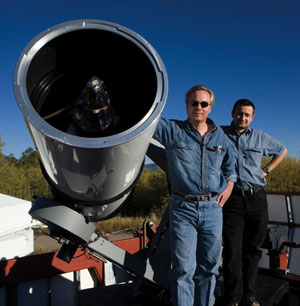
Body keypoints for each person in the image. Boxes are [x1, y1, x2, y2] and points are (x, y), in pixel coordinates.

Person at [152, 85, 237, 306]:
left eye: (204, 104)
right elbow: (145, 119)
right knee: (182, 270)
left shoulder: (220, 136)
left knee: (209, 267)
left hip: (212, 209)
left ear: (210, 108)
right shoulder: (172, 130)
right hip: (182, 209)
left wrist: (229, 186)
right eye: (194, 103)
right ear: (187, 105)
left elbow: (231, 165)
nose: (198, 107)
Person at [221, 99, 287, 306]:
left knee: (252, 249)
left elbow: (282, 151)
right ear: (232, 113)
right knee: (232, 250)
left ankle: (249, 295)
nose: (243, 118)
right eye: (239, 113)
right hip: (231, 199)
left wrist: (266, 170)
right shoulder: (219, 133)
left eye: (247, 115)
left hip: (256, 198)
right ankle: (233, 297)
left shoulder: (260, 136)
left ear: (252, 117)